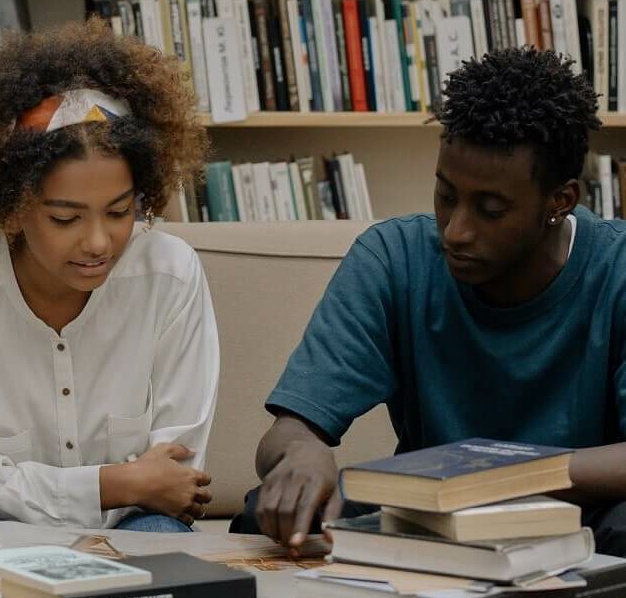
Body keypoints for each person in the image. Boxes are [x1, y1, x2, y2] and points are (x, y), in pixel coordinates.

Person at [237, 46, 626, 558]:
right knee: (261, 508)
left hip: (579, 514)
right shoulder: (392, 258)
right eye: (446, 196)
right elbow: (288, 430)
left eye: (490, 209)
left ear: (560, 201)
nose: (457, 231)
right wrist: (302, 453)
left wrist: (492, 478)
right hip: (425, 516)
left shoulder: (616, 267)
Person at [0, 19, 218, 532]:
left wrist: (130, 489)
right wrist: (113, 484)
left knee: (160, 539)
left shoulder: (170, 274)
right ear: (13, 208)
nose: (98, 242)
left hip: (138, 523)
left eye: (119, 212)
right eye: (66, 218)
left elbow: (172, 481)